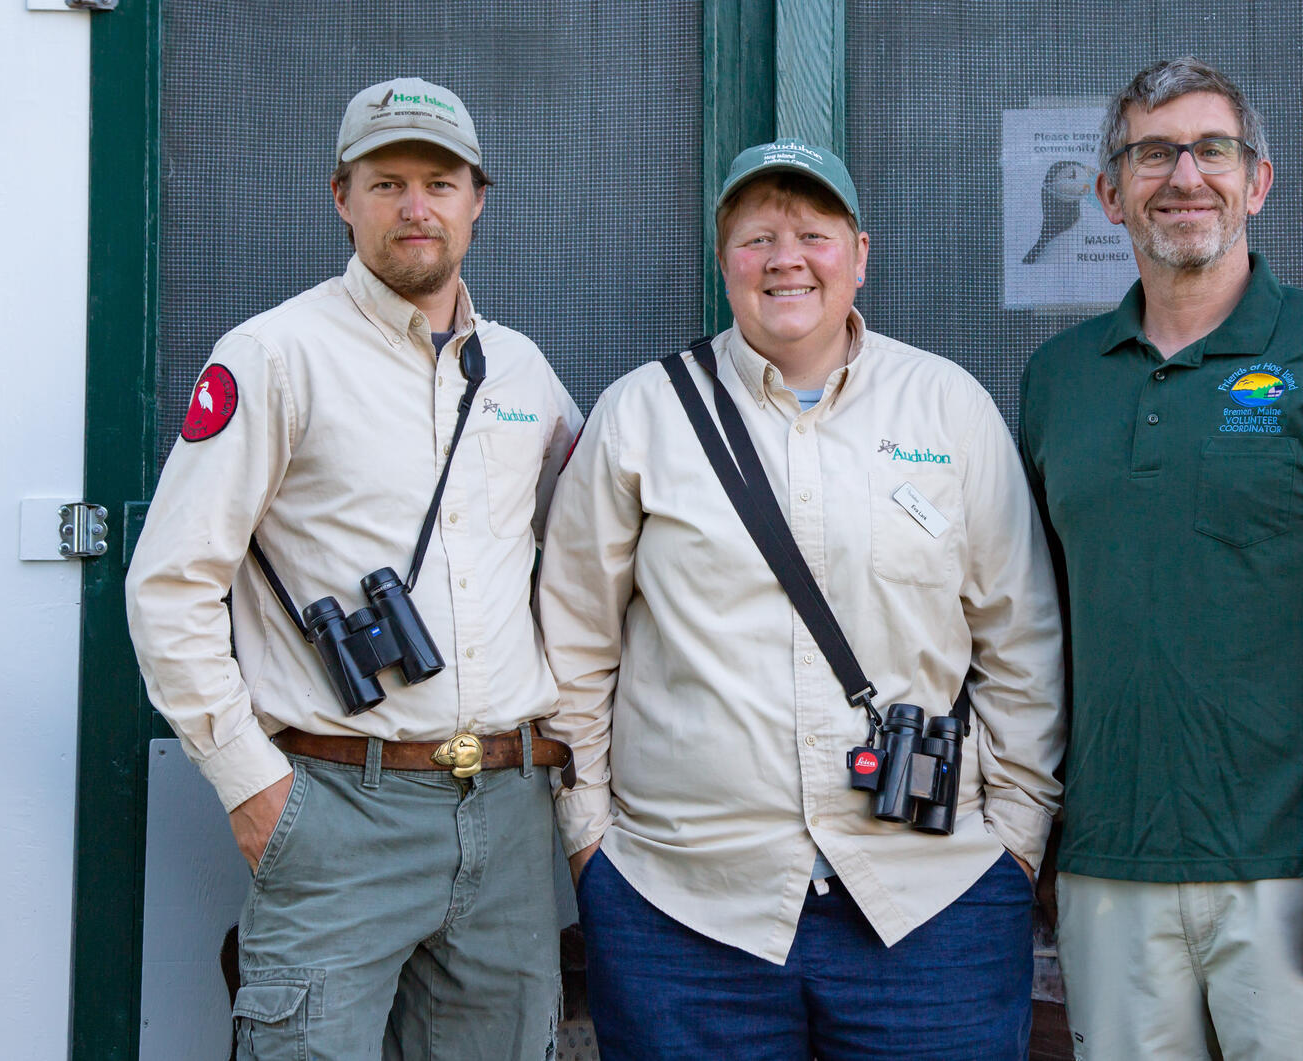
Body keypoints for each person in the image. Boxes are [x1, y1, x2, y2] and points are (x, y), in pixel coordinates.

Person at [535, 139, 1066, 1060]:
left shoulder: (948, 409)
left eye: (814, 234)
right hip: (683, 908)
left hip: (930, 901)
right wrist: (592, 845)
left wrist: (1013, 844)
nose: (787, 258)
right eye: (758, 237)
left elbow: (1021, 639)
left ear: (861, 254)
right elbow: (574, 643)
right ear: (722, 258)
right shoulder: (640, 416)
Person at [125, 77, 582, 1060]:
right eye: (387, 183)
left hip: (509, 818)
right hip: (338, 804)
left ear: (476, 198)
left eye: (438, 182)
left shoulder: (523, 373)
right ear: (342, 197)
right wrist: (251, 784)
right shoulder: (272, 357)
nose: (415, 207)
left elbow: (589, 557)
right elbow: (168, 584)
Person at [1018, 57, 1303, 1060]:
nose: (1182, 177)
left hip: (1301, 875)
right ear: (1108, 193)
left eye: (1210, 149)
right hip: (1107, 875)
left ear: (1255, 181)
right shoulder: (1058, 380)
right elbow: (1038, 628)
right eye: (1149, 154)